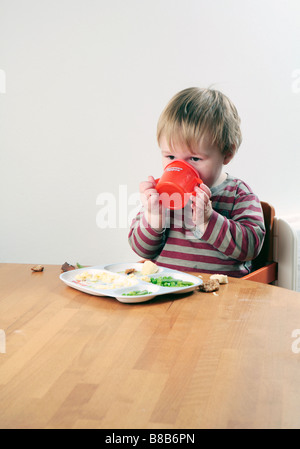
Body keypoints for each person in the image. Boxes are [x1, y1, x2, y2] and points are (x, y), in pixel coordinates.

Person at [128, 87, 265, 277]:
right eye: (170, 156)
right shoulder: (162, 197)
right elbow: (142, 250)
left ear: (227, 153)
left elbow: (251, 248)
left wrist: (208, 220)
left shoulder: (238, 195)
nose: (181, 167)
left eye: (194, 159)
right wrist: (153, 217)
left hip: (222, 297)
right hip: (167, 292)